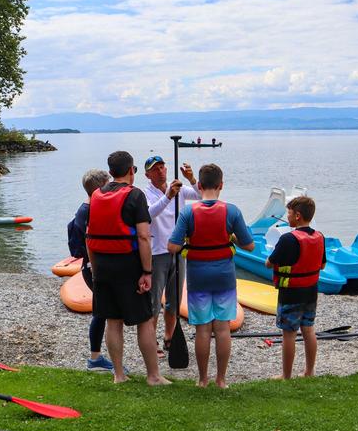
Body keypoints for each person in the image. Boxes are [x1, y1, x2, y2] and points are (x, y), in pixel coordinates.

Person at [86, 151, 170, 386]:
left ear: (111, 172)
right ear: (132, 170)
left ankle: (119, 374)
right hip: (128, 265)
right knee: (144, 321)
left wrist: (94, 268)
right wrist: (147, 271)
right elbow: (144, 236)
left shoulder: (96, 194)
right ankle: (153, 375)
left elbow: (89, 235)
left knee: (113, 321)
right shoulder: (135, 195)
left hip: (102, 265)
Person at [167, 163, 254, 388]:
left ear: (200, 185)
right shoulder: (232, 211)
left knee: (203, 329)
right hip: (224, 276)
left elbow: (172, 247)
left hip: (198, 277)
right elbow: (250, 246)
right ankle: (221, 379)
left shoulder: (188, 212)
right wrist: (231, 237)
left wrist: (189, 241)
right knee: (223, 328)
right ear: (221, 185)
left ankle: (202, 379)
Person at [142, 155, 200, 358]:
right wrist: (167, 196)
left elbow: (203, 196)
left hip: (178, 250)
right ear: (147, 174)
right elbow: (149, 214)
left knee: (174, 301)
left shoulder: (179, 189)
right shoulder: (145, 193)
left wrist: (192, 178)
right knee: (154, 301)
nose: (160, 171)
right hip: (157, 253)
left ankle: (169, 337)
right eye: (155, 169)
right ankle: (152, 341)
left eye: (162, 167)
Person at [264, 196, 325, 379]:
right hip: (311, 292)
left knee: (289, 333)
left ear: (297, 215)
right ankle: (309, 371)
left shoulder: (288, 239)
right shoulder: (319, 237)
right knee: (309, 329)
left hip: (291, 293)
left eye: (289, 213)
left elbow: (269, 263)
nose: (287, 216)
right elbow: (322, 266)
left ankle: (286, 375)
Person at [68, 169, 114, 371]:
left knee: (101, 311)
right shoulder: (90, 210)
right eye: (108, 183)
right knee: (101, 312)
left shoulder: (86, 208)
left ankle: (96, 357)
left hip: (91, 267)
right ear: (99, 188)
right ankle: (95, 359)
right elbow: (90, 243)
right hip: (93, 268)